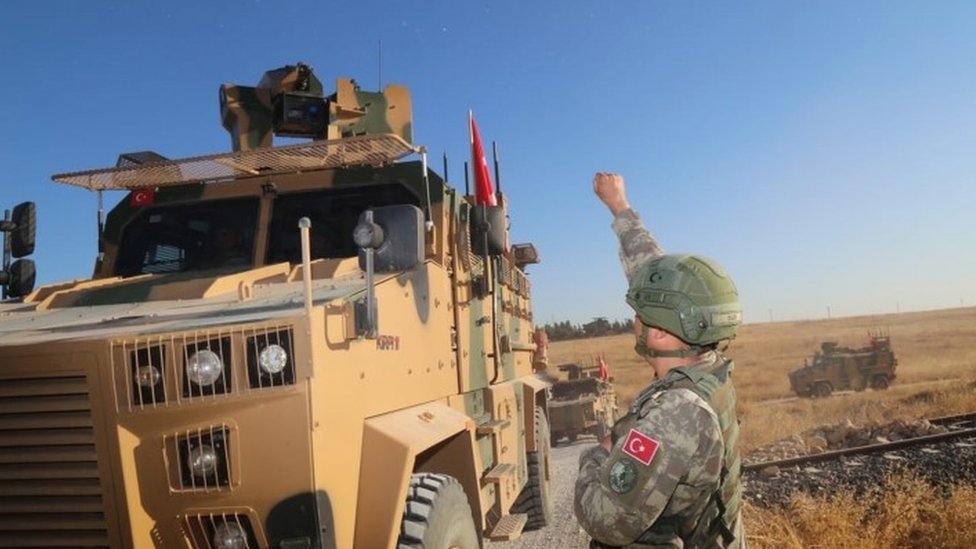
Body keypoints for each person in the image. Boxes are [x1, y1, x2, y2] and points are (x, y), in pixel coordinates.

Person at [574, 172, 746, 548]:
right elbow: (661, 279)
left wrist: (595, 456)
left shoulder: (676, 413)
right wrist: (619, 206)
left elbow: (605, 520)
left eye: (639, 314)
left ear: (661, 333)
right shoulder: (708, 367)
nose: (633, 321)